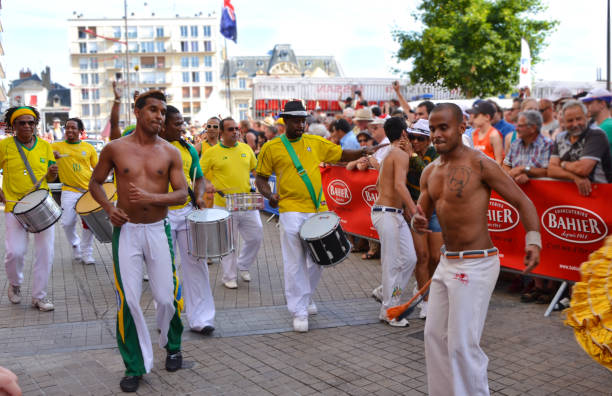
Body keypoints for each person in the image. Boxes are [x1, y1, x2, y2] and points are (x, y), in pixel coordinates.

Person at [412, 103, 541, 396]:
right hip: (447, 263)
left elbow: (523, 201)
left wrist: (533, 240)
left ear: (461, 127)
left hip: (477, 264)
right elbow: (421, 214)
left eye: (443, 127)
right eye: (432, 129)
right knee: (433, 337)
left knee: (461, 344)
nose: (436, 134)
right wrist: (416, 220)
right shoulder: (430, 171)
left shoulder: (481, 163)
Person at [255, 100, 383, 332]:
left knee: (319, 260)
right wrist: (269, 195)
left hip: (318, 209)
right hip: (290, 209)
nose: (300, 125)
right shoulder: (271, 147)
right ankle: (299, 310)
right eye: (296, 121)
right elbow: (261, 178)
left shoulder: (315, 141)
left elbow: (342, 154)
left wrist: (365, 150)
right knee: (294, 262)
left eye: (303, 121)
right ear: (285, 121)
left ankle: (305, 296)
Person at [88, 91, 187, 393]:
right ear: (138, 112)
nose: (159, 116)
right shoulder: (114, 149)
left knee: (166, 297)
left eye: (162, 111)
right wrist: (109, 209)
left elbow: (182, 194)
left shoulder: (170, 151)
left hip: (158, 229)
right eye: (153, 110)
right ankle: (134, 365)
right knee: (128, 299)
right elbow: (95, 183)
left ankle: (172, 346)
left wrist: (151, 197)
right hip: (127, 231)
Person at [160, 105, 215, 335]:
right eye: (177, 123)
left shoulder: (188, 149)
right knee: (163, 268)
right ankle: (166, 319)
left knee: (197, 265)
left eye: (183, 123)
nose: (182, 127)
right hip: (160, 214)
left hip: (187, 212)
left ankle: (201, 319)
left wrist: (200, 197)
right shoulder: (152, 148)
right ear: (163, 125)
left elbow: (199, 177)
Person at [0, 106, 58, 312]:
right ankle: (15, 284)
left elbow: (51, 178)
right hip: (14, 207)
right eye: (22, 123)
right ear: (13, 125)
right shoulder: (4, 145)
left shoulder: (44, 146)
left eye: (31, 123)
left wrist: (52, 172)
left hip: (41, 206)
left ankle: (39, 297)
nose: (27, 126)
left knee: (46, 252)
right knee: (15, 252)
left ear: (35, 125)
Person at [201, 117, 263, 289]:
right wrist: (207, 184)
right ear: (222, 132)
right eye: (230, 129)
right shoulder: (212, 153)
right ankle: (229, 276)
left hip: (246, 202)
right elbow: (199, 173)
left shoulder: (246, 148)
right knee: (228, 243)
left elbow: (256, 170)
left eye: (237, 128)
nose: (235, 131)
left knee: (256, 236)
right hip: (223, 204)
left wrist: (261, 187)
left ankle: (243, 265)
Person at [371, 116, 418, 327]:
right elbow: (400, 185)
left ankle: (386, 293)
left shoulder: (391, 153)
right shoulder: (398, 154)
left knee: (409, 259)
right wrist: (414, 209)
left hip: (391, 213)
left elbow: (378, 184)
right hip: (388, 213)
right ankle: (390, 310)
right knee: (393, 263)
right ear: (404, 134)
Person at [52, 118, 98, 264]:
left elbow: (97, 168)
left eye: (73, 128)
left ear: (80, 131)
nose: (70, 130)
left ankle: (86, 253)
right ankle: (75, 243)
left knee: (89, 224)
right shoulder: (56, 147)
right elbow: (44, 158)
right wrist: (52, 157)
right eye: (67, 127)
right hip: (69, 190)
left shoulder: (89, 148)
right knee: (67, 222)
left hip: (88, 191)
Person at [547, 100, 612, 196]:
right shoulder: (560, 137)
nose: (575, 124)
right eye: (570, 121)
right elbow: (551, 170)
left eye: (579, 119)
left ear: (587, 117)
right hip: (571, 194)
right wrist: (574, 177)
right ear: (563, 122)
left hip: (600, 193)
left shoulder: (596, 134)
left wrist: (563, 164)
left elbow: (583, 169)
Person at [502, 110, 552, 185]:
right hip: (517, 192)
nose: (516, 129)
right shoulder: (515, 144)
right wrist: (513, 175)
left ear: (533, 128)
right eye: (517, 125)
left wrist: (523, 169)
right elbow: (506, 165)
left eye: (520, 126)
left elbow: (547, 171)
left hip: (542, 193)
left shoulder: (546, 144)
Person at [471, 101, 504, 165]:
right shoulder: (474, 133)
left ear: (487, 117)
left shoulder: (494, 135)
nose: (473, 119)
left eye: (476, 116)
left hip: (490, 172)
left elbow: (499, 161)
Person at [581, 88, 612, 154]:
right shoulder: (594, 125)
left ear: (602, 104)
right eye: (585, 104)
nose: (585, 106)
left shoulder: (608, 126)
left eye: (589, 103)